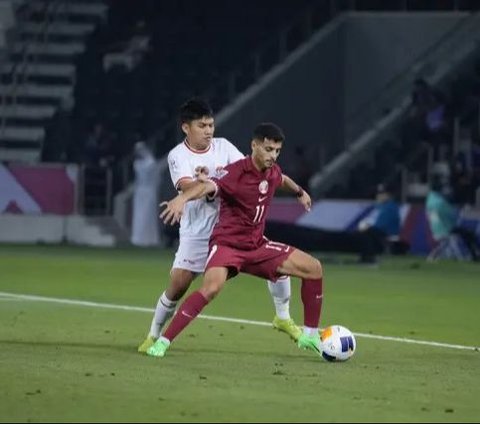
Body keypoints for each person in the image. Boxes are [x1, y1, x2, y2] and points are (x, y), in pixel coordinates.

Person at [146, 122, 324, 359]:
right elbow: (206, 186)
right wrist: (182, 200)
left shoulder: (271, 171)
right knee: (210, 288)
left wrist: (300, 192)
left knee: (313, 268)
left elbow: (281, 179)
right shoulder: (234, 173)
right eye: (268, 149)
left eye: (277, 151)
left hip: (257, 245)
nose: (273, 156)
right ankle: (164, 341)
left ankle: (310, 333)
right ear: (254, 146)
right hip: (228, 246)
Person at [357, 184, 401, 264]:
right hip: (379, 230)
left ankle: (369, 256)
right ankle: (366, 256)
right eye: (378, 195)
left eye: (381, 195)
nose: (379, 197)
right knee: (364, 232)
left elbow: (383, 224)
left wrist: (368, 227)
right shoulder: (380, 206)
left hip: (388, 231)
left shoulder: (391, 207)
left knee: (367, 232)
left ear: (388, 195)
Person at [131, 141, 159, 247]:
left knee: (148, 215)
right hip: (140, 191)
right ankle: (139, 237)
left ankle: (148, 238)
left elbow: (154, 179)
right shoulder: (138, 164)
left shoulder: (150, 163)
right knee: (139, 215)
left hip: (148, 191)